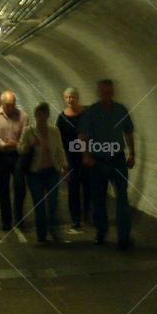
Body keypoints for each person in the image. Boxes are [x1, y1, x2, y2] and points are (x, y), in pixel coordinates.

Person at [79, 79, 136, 249]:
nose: (107, 95)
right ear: (100, 92)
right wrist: (85, 155)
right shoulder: (92, 112)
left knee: (122, 199)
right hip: (97, 161)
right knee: (99, 199)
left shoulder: (121, 110)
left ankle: (123, 237)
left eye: (109, 91)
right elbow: (82, 136)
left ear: (112, 92)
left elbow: (128, 132)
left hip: (117, 159)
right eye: (104, 92)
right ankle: (101, 231)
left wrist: (132, 153)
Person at [19, 102, 67, 243]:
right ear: (35, 115)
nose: (41, 117)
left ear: (47, 115)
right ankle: (41, 233)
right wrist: (29, 145)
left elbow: (59, 149)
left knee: (53, 202)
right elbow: (20, 148)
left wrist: (64, 165)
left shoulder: (54, 131)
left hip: (52, 171)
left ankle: (54, 229)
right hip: (35, 173)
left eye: (44, 114)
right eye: (39, 114)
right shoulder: (29, 131)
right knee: (39, 203)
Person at [0, 91, 28, 230]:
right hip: (0, 155)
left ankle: (19, 216)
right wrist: (4, 144)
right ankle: (6, 220)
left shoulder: (23, 116)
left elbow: (25, 136)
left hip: (17, 155)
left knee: (20, 186)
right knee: (2, 189)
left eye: (12, 105)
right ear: (2, 103)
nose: (11, 108)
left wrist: (16, 144)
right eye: (8, 105)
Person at [56, 86, 91, 229]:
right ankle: (75, 217)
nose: (70, 99)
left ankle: (88, 214)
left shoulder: (87, 113)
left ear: (78, 98)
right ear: (64, 99)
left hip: (88, 153)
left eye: (73, 97)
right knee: (73, 188)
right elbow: (59, 141)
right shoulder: (62, 118)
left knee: (89, 186)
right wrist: (62, 163)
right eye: (67, 97)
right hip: (71, 155)